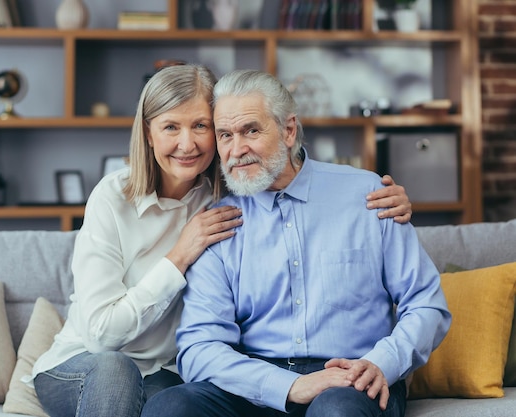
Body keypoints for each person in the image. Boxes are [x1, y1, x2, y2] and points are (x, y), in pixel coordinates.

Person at [28, 64, 413, 417]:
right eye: (170, 127)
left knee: (170, 401)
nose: (187, 143)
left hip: (165, 368)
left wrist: (382, 196)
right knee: (120, 372)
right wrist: (180, 255)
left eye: (201, 126)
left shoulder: (230, 194)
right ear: (147, 132)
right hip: (94, 359)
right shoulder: (114, 198)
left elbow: (289, 180)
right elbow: (102, 336)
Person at [141, 70, 451, 417]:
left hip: (352, 379)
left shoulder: (370, 197)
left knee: (336, 411)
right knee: (170, 407)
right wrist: (287, 386)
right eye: (225, 135)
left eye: (251, 131)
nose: (236, 149)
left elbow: (426, 304)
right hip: (257, 382)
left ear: (289, 131)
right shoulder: (216, 223)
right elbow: (199, 348)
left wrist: (381, 362)